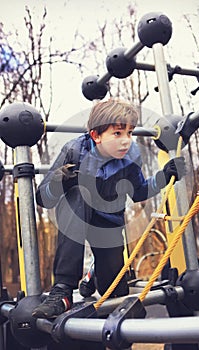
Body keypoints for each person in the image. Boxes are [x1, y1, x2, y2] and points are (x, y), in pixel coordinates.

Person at [32, 98, 186, 319]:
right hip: (78, 212)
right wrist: (58, 181)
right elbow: (43, 199)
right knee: (76, 193)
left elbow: (139, 192)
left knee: (114, 291)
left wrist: (164, 176)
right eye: (117, 133)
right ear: (96, 136)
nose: (126, 141)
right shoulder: (74, 150)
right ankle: (63, 289)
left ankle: (94, 274)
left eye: (130, 132)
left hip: (109, 222)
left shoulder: (130, 156)